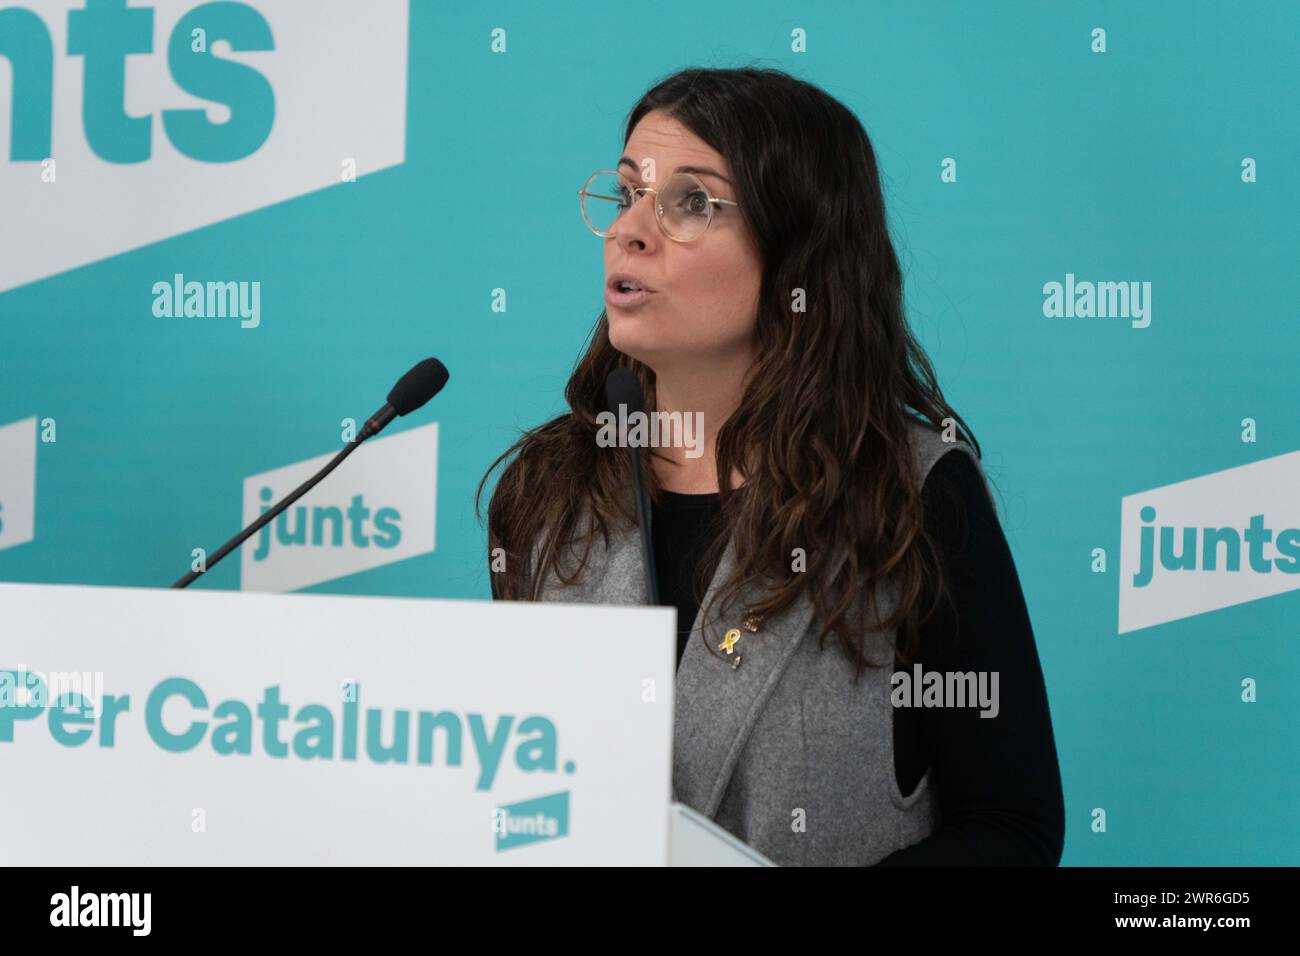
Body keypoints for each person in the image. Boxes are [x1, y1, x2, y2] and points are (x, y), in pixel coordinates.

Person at [478, 66, 1065, 866]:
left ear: (799, 255)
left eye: (690, 203)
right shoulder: (545, 492)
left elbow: (1011, 826)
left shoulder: (916, 494)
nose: (630, 231)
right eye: (626, 196)